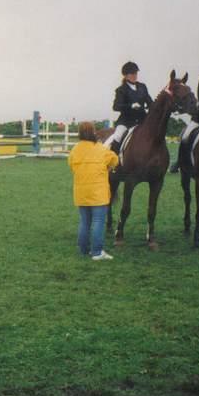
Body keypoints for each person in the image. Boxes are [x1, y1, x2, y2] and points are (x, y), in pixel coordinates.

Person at [68, 121, 119, 260]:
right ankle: (97, 252)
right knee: (98, 221)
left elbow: (71, 166)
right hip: (98, 192)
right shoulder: (101, 149)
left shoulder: (75, 149)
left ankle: (84, 250)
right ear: (93, 132)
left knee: (84, 222)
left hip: (81, 192)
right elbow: (115, 161)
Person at [104, 62, 153, 151]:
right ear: (126, 76)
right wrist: (130, 106)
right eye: (132, 74)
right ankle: (113, 159)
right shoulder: (121, 90)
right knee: (118, 136)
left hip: (142, 120)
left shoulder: (142, 87)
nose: (135, 76)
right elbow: (116, 106)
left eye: (136, 73)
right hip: (126, 121)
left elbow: (150, 102)